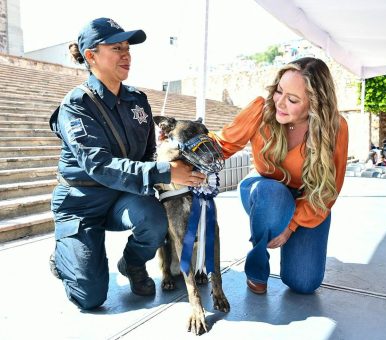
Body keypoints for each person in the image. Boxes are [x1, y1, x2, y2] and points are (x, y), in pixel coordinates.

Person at [48, 17, 205, 310]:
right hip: (81, 201)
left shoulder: (137, 101)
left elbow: (147, 154)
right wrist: (166, 171)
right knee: (90, 298)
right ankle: (65, 257)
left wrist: (176, 161)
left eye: (128, 48)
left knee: (154, 219)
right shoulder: (76, 105)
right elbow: (99, 165)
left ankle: (131, 264)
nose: (126, 54)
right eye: (116, 47)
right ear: (91, 56)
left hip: (121, 195)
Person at [211, 57, 348, 295]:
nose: (280, 103)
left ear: (314, 105)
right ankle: (257, 264)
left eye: (293, 99)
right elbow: (222, 144)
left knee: (304, 283)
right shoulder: (261, 109)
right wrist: (184, 143)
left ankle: (287, 235)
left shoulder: (335, 127)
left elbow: (328, 190)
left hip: (310, 199)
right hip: (264, 189)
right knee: (273, 195)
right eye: (279, 91)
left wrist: (291, 226)